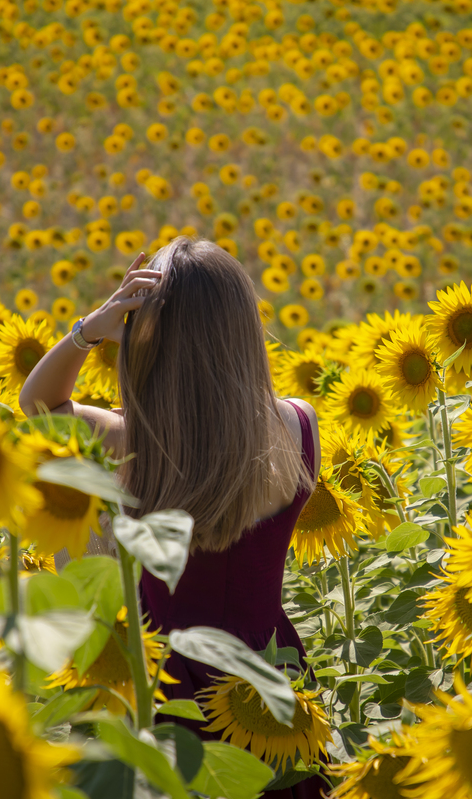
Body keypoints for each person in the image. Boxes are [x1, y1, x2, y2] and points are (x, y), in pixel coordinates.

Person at [20, 237, 326, 798]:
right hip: (271, 679)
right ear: (246, 331)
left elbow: (37, 404)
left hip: (164, 689)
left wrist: (90, 329)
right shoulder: (299, 428)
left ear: (145, 338)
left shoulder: (125, 441)